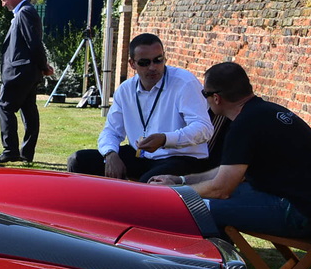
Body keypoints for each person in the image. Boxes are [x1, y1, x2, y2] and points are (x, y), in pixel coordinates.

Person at [147, 62, 311, 240]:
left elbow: (221, 189)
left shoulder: (244, 126)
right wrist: (180, 180)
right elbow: (227, 174)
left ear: (216, 98)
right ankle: (219, 258)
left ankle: (209, 267)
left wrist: (175, 193)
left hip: (300, 214)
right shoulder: (264, 112)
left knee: (191, 208)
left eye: (204, 94)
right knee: (205, 199)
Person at [67, 34, 214, 181]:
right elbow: (111, 131)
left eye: (158, 60)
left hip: (181, 157)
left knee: (147, 183)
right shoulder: (126, 89)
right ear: (132, 64)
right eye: (144, 62)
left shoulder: (184, 82)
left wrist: (165, 139)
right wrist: (110, 154)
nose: (153, 67)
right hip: (141, 155)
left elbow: (204, 128)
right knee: (78, 160)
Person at [0, 0, 50, 164]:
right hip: (27, 71)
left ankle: (10, 150)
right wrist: (41, 67)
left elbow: (33, 42)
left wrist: (43, 66)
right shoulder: (26, 12)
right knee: (28, 111)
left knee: (5, 107)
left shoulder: (24, 12)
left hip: (20, 71)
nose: (3, 4)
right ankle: (26, 153)